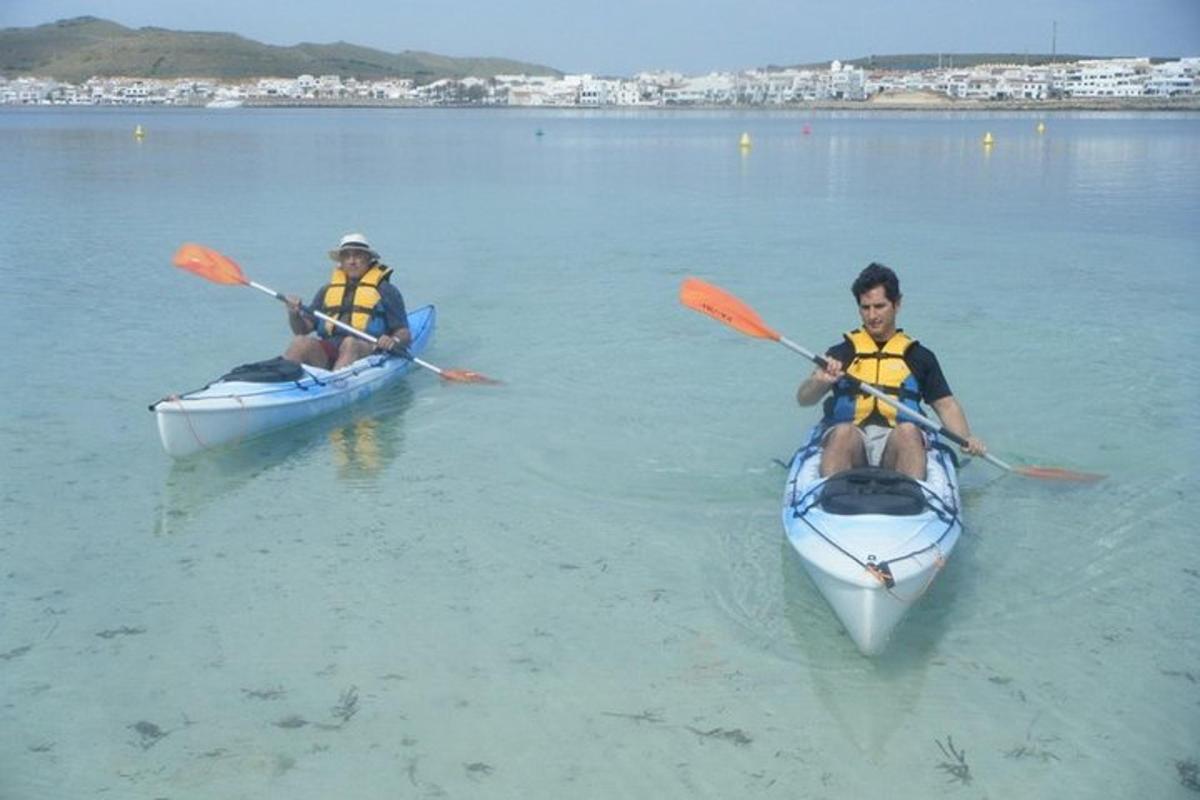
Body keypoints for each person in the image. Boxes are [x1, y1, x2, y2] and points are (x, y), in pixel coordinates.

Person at [795, 262, 986, 480]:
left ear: (897, 304)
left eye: (880, 306)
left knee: (908, 431)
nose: (872, 315)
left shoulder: (919, 356)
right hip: (853, 441)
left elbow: (946, 405)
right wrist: (820, 381)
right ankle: (829, 498)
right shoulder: (840, 353)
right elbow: (804, 399)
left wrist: (966, 439)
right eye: (865, 308)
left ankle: (913, 499)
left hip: (896, 443)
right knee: (842, 432)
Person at [283, 233, 411, 370]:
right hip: (331, 348)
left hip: (368, 349)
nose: (352, 261)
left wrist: (393, 340)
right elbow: (302, 330)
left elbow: (404, 332)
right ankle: (281, 379)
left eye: (358, 256)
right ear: (341, 262)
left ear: (368, 259)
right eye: (346, 256)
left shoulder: (386, 290)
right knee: (300, 342)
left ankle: (337, 384)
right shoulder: (326, 290)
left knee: (350, 344)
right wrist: (293, 314)